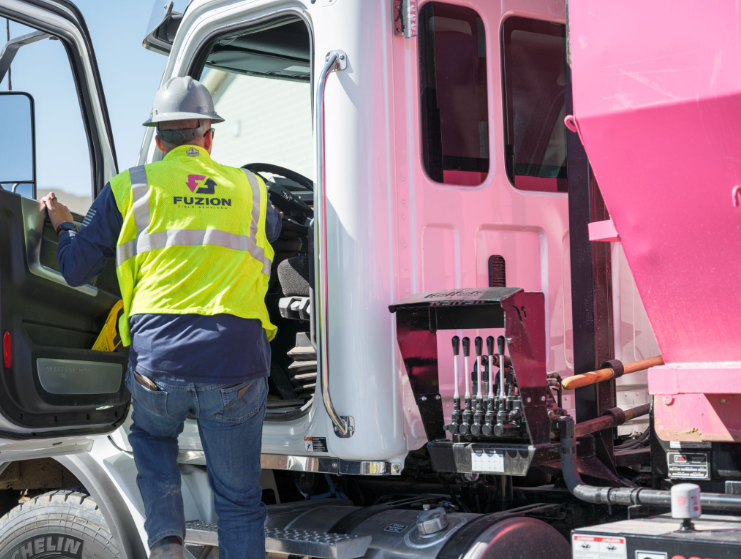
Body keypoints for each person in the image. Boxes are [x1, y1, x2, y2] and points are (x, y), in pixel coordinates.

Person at [42, 76, 282, 559]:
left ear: (158, 138)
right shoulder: (252, 191)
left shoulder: (129, 187)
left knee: (152, 439)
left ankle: (168, 544)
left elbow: (73, 269)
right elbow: (278, 226)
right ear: (208, 136)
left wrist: (64, 223)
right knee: (238, 502)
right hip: (234, 366)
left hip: (158, 363)